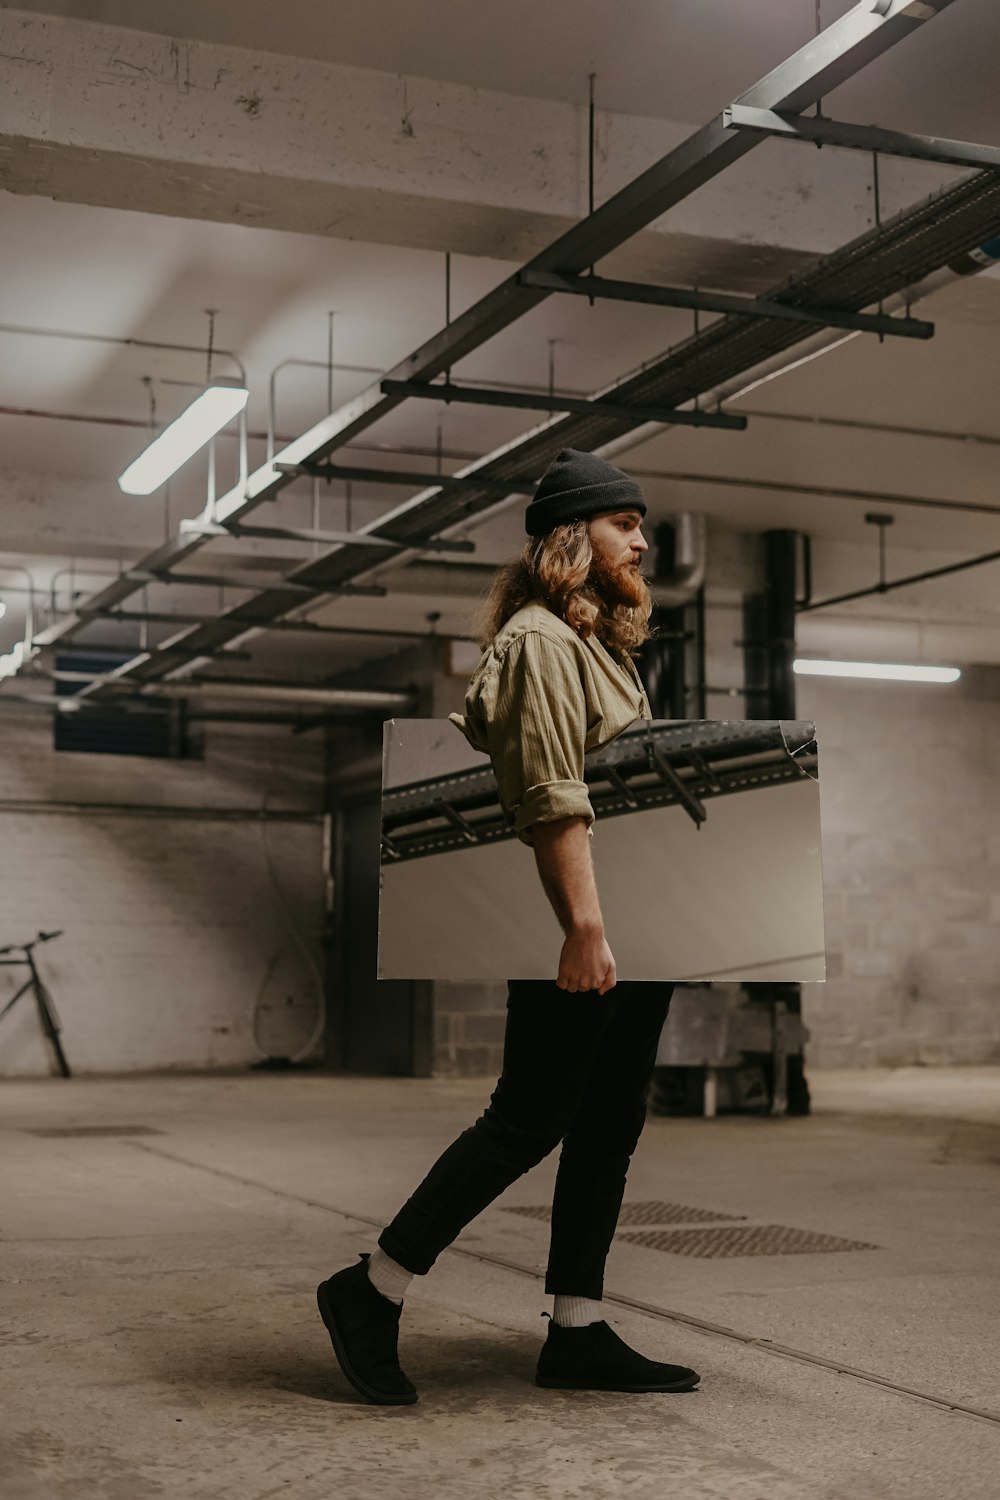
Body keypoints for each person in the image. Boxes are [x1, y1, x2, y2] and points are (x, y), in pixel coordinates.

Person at [317, 448, 699, 1405]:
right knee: (527, 1118)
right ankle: (372, 1288)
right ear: (571, 537)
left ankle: (575, 1327)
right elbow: (550, 798)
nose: (642, 540)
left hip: (634, 923)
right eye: (624, 524)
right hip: (581, 924)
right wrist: (584, 925)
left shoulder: (599, 647)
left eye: (641, 523)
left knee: (609, 1120)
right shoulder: (539, 643)